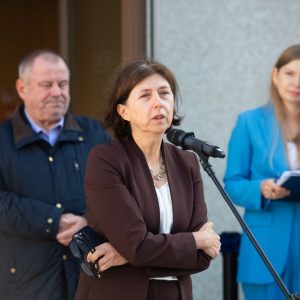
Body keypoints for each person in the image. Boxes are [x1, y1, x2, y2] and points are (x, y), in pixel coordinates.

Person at [74, 58, 221, 300]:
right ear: (123, 112)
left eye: (164, 93)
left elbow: (203, 257)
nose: (158, 103)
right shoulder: (106, 160)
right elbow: (138, 246)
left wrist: (127, 256)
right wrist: (194, 240)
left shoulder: (188, 162)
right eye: (145, 96)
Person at [0, 49, 111, 300]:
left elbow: (119, 194)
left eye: (63, 84)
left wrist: (89, 223)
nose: (57, 92)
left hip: (88, 278)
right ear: (22, 88)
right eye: (46, 85)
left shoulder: (94, 134)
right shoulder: (2, 141)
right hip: (24, 282)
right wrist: (53, 220)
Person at [224, 44, 300, 300]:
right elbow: (233, 184)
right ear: (275, 75)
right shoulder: (249, 122)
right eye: (290, 73)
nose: (297, 82)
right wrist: (261, 188)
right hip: (265, 249)